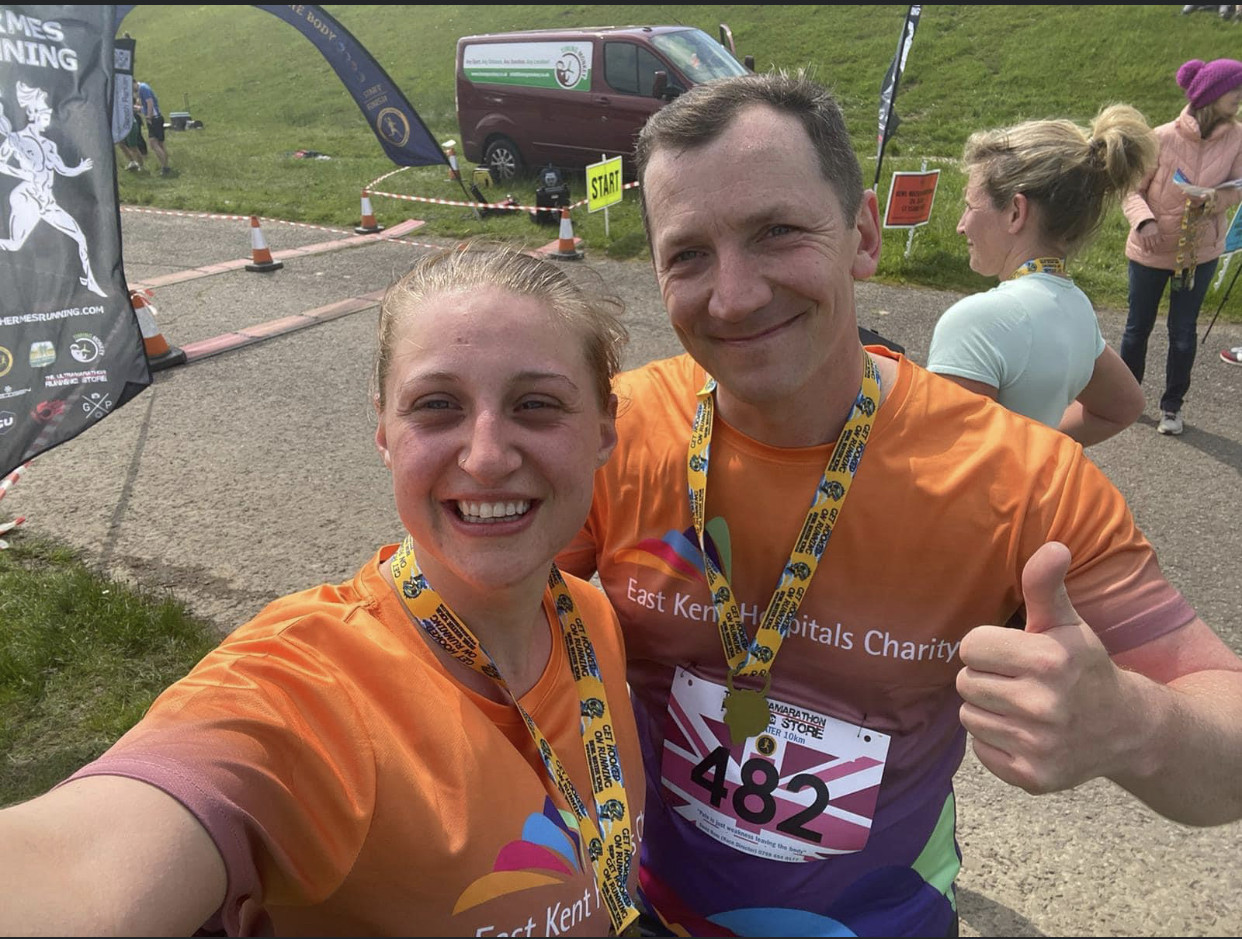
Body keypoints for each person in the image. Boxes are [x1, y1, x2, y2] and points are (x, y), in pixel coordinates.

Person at [556, 69, 1242, 938]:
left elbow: (1228, 732)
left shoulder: (1021, 481)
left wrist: (1132, 722)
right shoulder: (611, 433)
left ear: (864, 232)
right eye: (688, 254)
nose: (733, 294)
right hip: (644, 910)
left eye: (777, 232)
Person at [0, 244, 653, 937]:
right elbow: (80, 875)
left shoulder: (592, 620)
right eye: (437, 405)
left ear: (606, 427)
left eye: (536, 403)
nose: (487, 455)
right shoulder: (314, 689)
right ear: (383, 430)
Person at [926, 105, 1152, 446]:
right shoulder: (1076, 308)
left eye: (971, 206)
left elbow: (943, 461)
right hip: (1028, 495)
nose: (961, 225)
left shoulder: (978, 322)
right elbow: (1123, 407)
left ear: (1016, 212)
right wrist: (1034, 449)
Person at [1119, 58, 1242, 436]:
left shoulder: (1239, 136)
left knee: (1183, 332)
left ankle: (1172, 407)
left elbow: (1238, 185)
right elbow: (1130, 189)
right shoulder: (1160, 137)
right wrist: (1145, 220)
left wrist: (1216, 199)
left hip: (1198, 253)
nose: (1240, 99)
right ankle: (1125, 399)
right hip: (1149, 250)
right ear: (1212, 95)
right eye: (1235, 92)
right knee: (1137, 328)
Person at [0, 82, 106, 297]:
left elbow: (62, 170)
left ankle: (91, 282)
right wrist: (22, 173)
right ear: (33, 114)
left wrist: (81, 169)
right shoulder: (17, 139)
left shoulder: (49, 145)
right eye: (46, 113)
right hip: (27, 197)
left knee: (79, 237)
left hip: (47, 201)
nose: (49, 116)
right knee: (14, 245)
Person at [136, 77, 171, 176]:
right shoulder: (143, 87)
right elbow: (148, 106)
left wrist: (148, 117)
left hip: (154, 119)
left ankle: (165, 167)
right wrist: (138, 109)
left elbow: (150, 103)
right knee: (160, 144)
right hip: (157, 117)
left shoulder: (143, 88)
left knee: (153, 144)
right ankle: (165, 166)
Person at [116, 88, 147, 171]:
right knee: (120, 143)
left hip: (130, 126)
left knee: (133, 147)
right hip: (122, 126)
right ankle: (132, 162)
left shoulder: (125, 102)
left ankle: (142, 166)